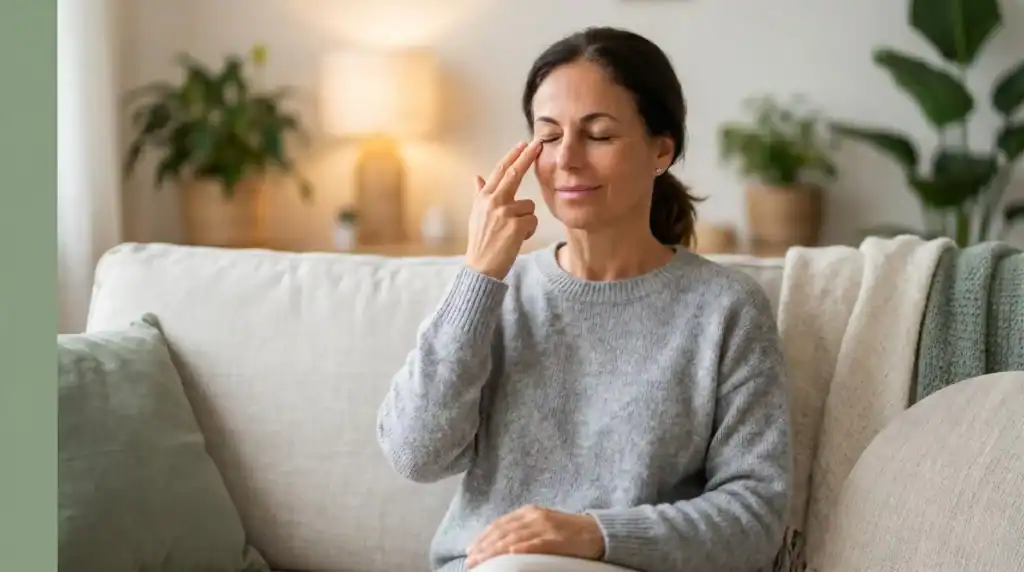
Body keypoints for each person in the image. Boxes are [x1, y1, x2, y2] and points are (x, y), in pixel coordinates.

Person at [376, 26, 792, 572]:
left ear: (661, 150)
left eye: (598, 135)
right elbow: (415, 454)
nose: (566, 159)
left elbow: (756, 517)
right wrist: (479, 275)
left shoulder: (725, 309)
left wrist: (595, 534)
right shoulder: (495, 294)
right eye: (548, 137)